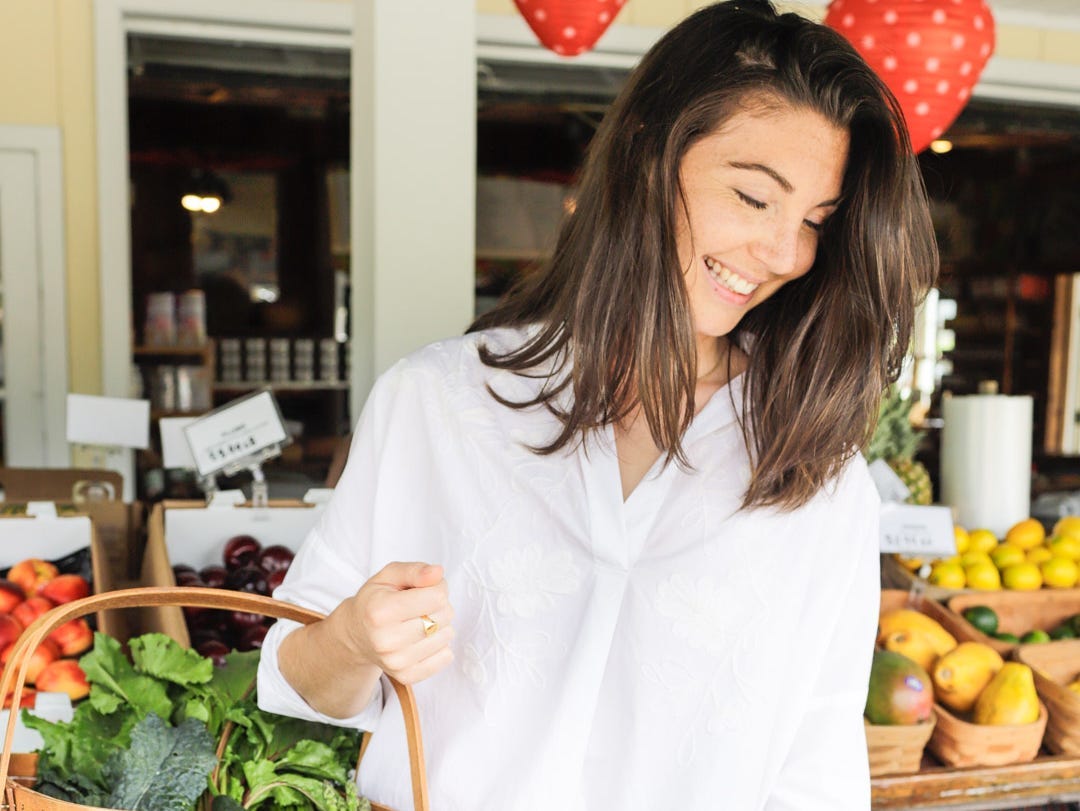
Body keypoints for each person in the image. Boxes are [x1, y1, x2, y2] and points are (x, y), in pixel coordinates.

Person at [257, 1, 938, 808]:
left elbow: (818, 767)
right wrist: (351, 637)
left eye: (816, 222)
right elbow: (301, 681)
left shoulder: (817, 473)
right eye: (754, 198)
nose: (785, 253)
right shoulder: (441, 402)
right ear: (648, 155)